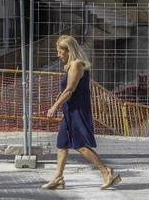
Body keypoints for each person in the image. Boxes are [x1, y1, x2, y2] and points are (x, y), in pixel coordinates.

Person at [42, 34, 121, 190]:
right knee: (62, 143)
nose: (58, 55)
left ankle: (106, 172)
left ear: (69, 50)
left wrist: (54, 106)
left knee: (79, 145)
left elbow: (70, 90)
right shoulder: (72, 66)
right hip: (69, 110)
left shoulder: (77, 65)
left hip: (76, 111)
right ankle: (58, 178)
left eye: (60, 51)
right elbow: (69, 88)